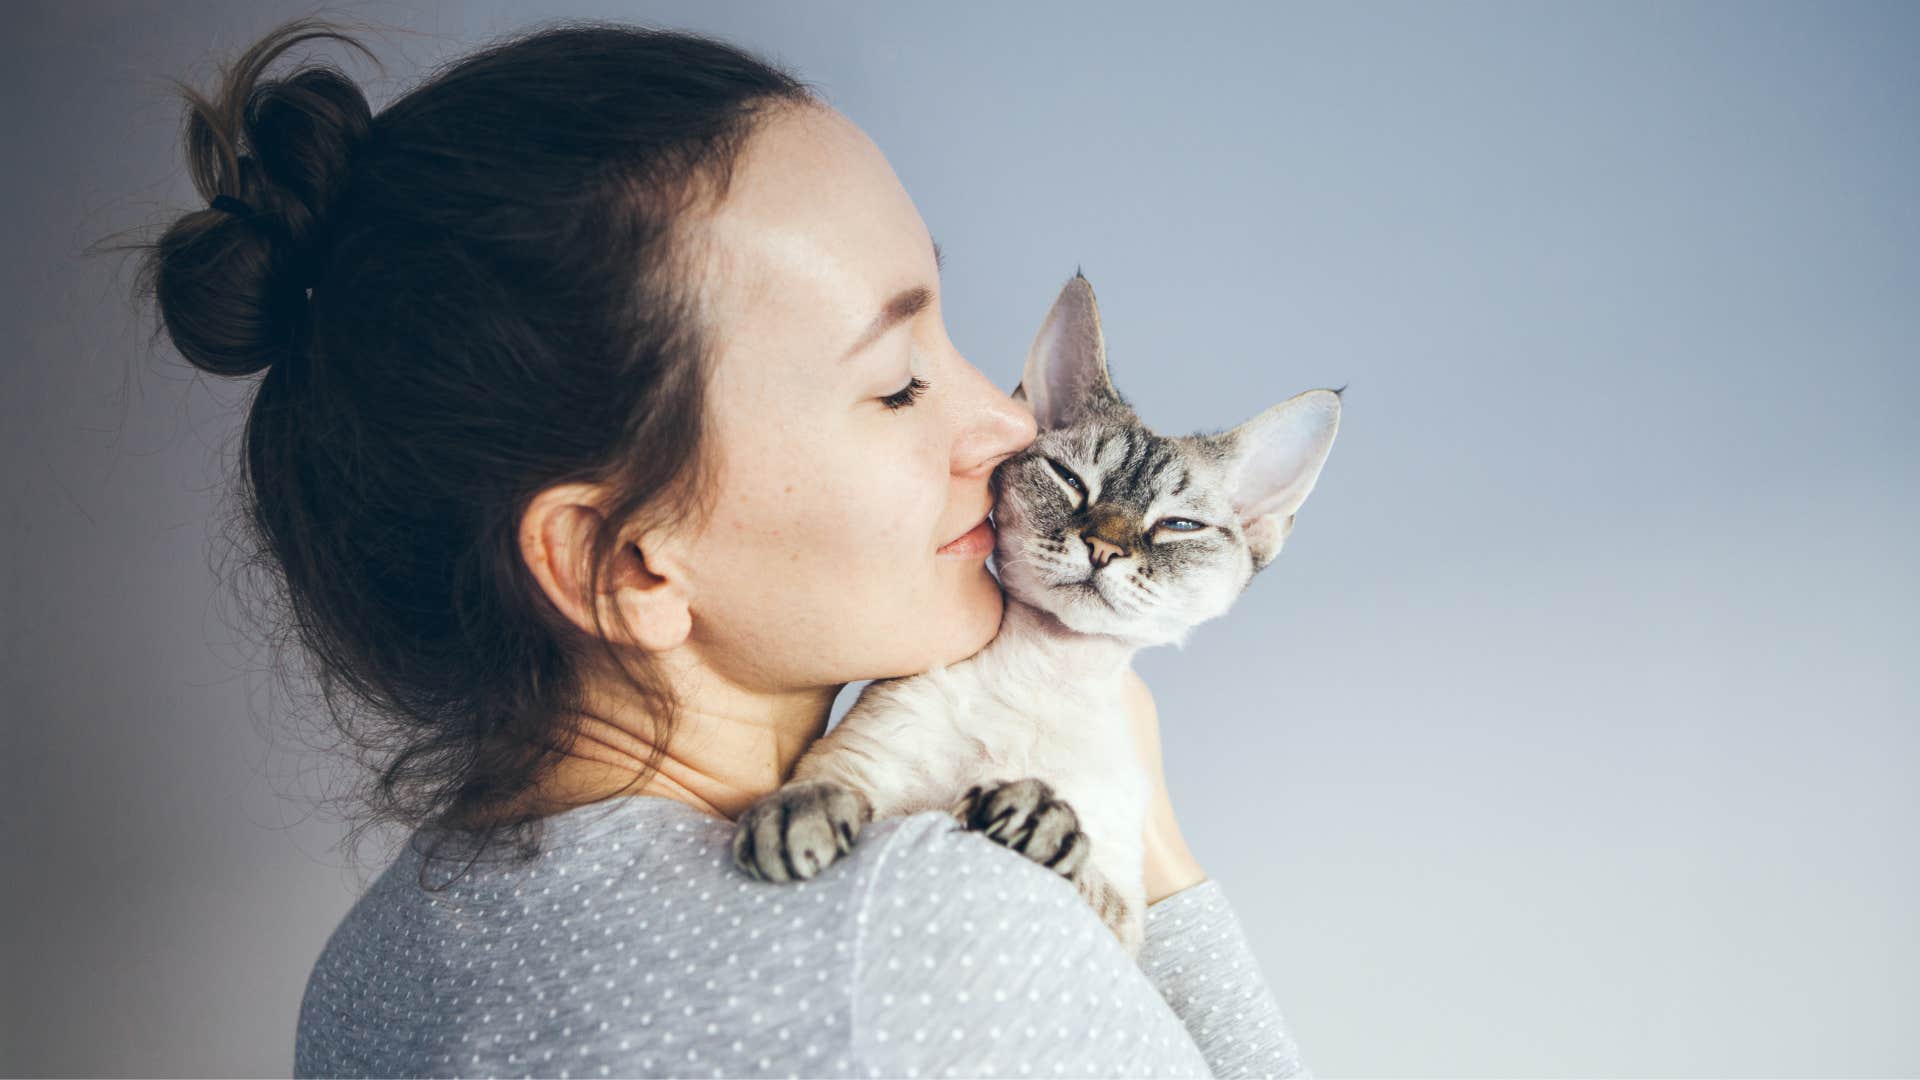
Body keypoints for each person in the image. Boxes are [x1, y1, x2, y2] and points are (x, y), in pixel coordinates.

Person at [132, 14, 1313, 1078]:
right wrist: (1152, 844)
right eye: (900, 383)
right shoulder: (928, 937)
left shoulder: (365, 977)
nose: (1010, 425)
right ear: (627, 565)